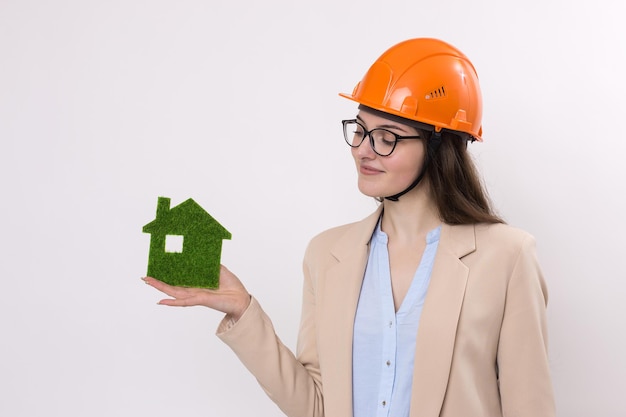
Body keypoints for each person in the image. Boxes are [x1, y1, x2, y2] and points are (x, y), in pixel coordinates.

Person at [143, 38, 555, 417]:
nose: (362, 149)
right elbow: (318, 405)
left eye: (387, 137)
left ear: (439, 146)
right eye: (359, 129)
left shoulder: (507, 256)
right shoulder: (326, 253)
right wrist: (242, 310)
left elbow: (529, 405)